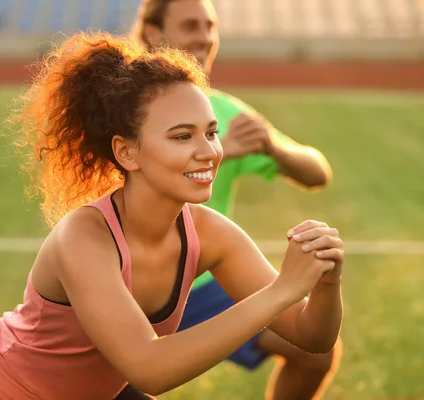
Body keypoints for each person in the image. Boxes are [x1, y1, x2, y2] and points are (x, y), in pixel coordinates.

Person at [0, 32, 344, 400]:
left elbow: (312, 338)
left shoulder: (211, 234)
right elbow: (148, 369)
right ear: (127, 151)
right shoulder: (84, 235)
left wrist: (325, 285)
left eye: (211, 132)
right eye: (181, 136)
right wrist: (281, 291)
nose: (209, 151)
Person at [131, 1, 342, 399]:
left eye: (211, 26)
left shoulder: (223, 111)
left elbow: (317, 173)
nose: (205, 38)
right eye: (191, 25)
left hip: (201, 282)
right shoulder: (122, 106)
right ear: (154, 34)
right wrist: (219, 148)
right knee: (119, 383)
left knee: (315, 352)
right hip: (128, 281)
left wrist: (273, 147)